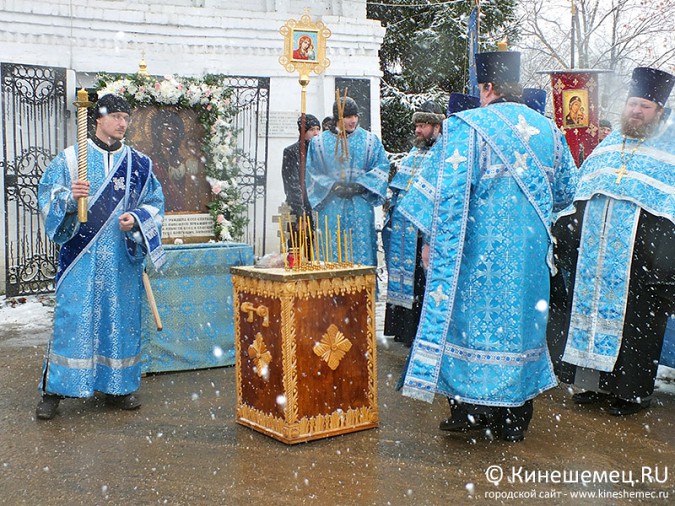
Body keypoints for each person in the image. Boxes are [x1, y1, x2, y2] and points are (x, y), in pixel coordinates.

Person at [396, 49, 578, 442]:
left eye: (480, 88)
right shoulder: (550, 132)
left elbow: (437, 196)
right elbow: (566, 194)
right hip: (530, 262)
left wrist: (432, 243)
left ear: (489, 87)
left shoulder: (465, 127)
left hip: (477, 255)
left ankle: (469, 414)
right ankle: (514, 418)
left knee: (471, 330)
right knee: (521, 332)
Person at [547, 67, 675, 417]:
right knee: (588, 317)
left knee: (638, 326)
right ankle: (594, 385)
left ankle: (631, 393)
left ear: (659, 112)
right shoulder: (610, 143)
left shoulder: (670, 147)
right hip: (596, 255)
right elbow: (582, 191)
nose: (636, 111)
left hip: (644, 259)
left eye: (645, 106)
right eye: (633, 103)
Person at [35, 93, 166, 420]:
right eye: (116, 117)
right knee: (73, 321)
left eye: (126, 118)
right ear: (98, 119)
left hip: (121, 259)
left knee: (118, 321)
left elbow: (155, 203)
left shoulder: (139, 164)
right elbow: (46, 196)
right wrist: (68, 198)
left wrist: (137, 218)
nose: (122, 123)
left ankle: (117, 386)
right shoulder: (70, 159)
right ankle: (56, 389)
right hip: (81, 258)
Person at [383, 102, 444, 347]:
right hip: (404, 228)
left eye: (422, 126)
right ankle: (402, 329)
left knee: (421, 280)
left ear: (436, 126)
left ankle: (416, 332)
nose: (418, 131)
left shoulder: (444, 153)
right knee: (405, 276)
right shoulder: (415, 151)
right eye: (417, 126)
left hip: (424, 230)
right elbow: (400, 186)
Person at [305, 95, 389, 266]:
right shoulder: (319, 143)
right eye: (348, 116)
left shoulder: (370, 141)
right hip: (331, 205)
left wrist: (361, 185)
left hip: (360, 205)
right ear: (338, 118)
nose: (353, 120)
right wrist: (332, 185)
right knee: (330, 251)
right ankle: (329, 291)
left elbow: (382, 167)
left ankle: (362, 291)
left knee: (360, 251)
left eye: (355, 116)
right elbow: (312, 172)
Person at [281, 114, 321, 221]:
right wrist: (299, 212)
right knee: (300, 237)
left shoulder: (321, 152)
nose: (316, 133)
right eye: (312, 130)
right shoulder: (292, 152)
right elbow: (292, 184)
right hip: (300, 207)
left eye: (318, 129)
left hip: (318, 207)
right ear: (303, 132)